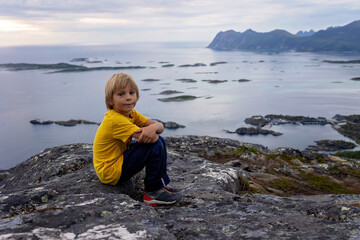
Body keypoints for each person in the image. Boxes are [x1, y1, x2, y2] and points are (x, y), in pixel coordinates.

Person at [93, 72, 181, 207]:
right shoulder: (115, 120)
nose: (128, 98)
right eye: (121, 94)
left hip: (118, 162)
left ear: (137, 95)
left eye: (131, 93)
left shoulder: (131, 114)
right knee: (156, 144)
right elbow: (151, 138)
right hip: (110, 171)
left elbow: (159, 127)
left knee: (160, 141)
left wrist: (154, 127)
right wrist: (153, 129)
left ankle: (160, 186)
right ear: (110, 101)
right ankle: (152, 193)